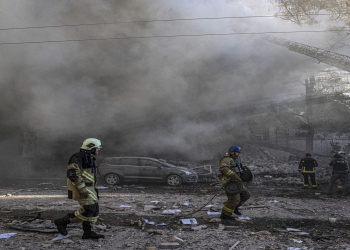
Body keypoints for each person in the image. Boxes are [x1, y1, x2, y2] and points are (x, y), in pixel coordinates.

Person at [54, 138, 105, 239]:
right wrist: (82, 189)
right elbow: (73, 174)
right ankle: (61, 222)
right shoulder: (78, 157)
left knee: (94, 210)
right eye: (97, 148)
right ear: (91, 147)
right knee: (88, 209)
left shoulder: (88, 157)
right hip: (82, 188)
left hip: (91, 188)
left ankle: (89, 232)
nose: (98, 149)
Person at [219, 145, 251, 220]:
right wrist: (234, 176)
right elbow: (223, 169)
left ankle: (235, 207)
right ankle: (225, 215)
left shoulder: (234, 160)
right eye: (237, 152)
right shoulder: (226, 159)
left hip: (237, 181)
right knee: (234, 199)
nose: (238, 154)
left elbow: (238, 169)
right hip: (230, 182)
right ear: (232, 152)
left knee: (246, 194)